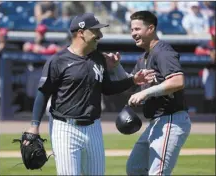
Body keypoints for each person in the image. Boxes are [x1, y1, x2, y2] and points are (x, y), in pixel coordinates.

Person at [22, 13, 155, 175]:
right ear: (80, 33)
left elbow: (107, 88)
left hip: (93, 128)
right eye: (95, 31)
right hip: (65, 128)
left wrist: (132, 80)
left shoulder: (99, 59)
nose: (100, 35)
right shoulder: (58, 60)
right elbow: (43, 94)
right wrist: (34, 126)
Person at [106, 11, 191, 175]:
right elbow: (131, 84)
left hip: (171, 120)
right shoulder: (143, 57)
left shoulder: (163, 51)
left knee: (157, 173)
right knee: (135, 168)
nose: (133, 34)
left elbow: (178, 81)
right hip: (157, 122)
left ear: (151, 28)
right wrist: (117, 67)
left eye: (137, 29)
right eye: (132, 30)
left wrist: (146, 93)